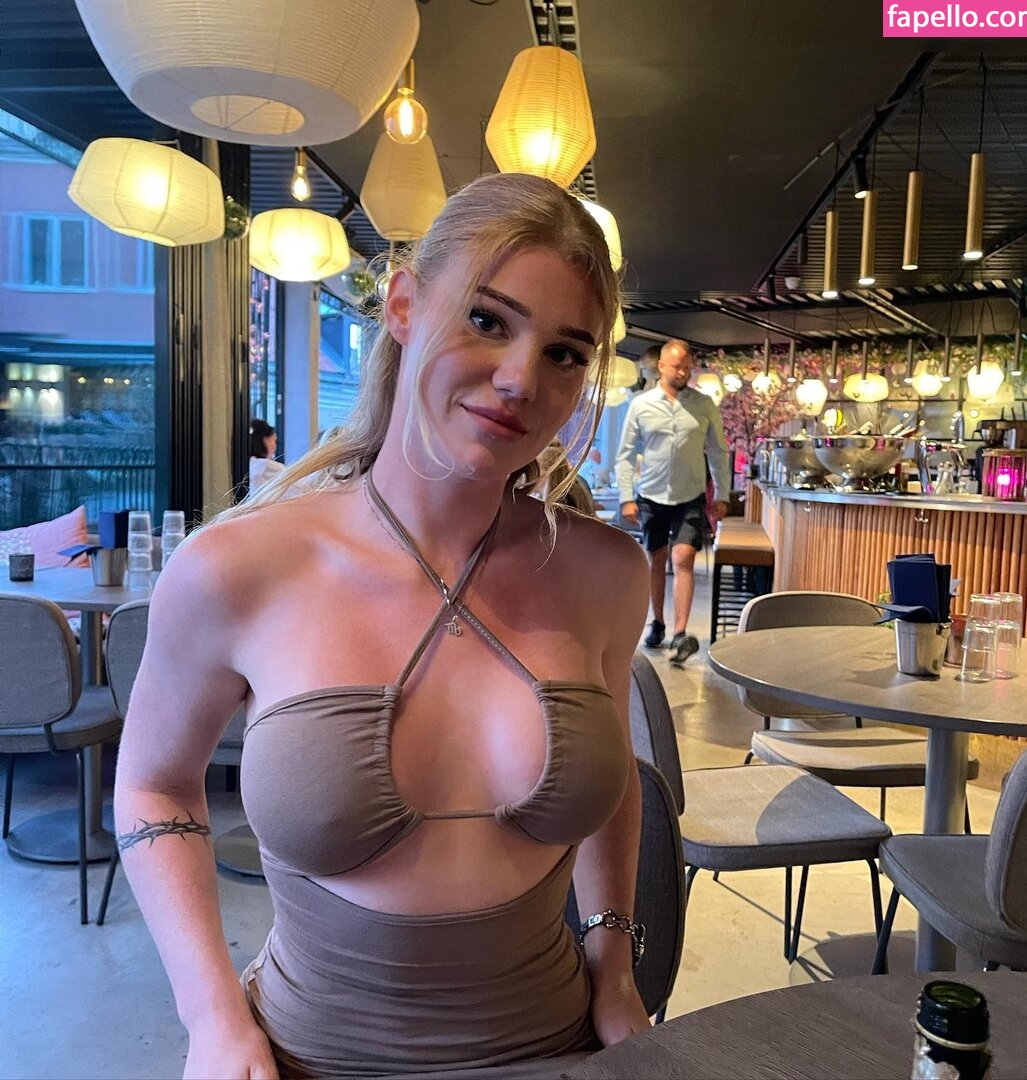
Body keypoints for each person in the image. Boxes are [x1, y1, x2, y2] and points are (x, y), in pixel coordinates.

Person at [114, 173, 651, 1079]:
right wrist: (210, 1016)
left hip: (557, 1047)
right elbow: (154, 785)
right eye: (487, 319)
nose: (520, 378)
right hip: (308, 1058)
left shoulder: (604, 574)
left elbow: (615, 778)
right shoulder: (237, 568)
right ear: (402, 304)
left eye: (565, 352)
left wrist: (614, 962)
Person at [615, 339, 731, 665]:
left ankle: (680, 633)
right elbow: (625, 455)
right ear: (662, 366)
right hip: (651, 495)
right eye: (677, 367)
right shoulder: (640, 405)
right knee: (657, 560)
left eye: (687, 368)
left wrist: (722, 494)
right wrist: (626, 497)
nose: (682, 373)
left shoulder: (704, 405)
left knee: (683, 558)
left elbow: (719, 452)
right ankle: (658, 623)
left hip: (690, 496)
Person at [247, 419, 284, 496]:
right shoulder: (266, 467)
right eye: (274, 441)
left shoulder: (246, 464)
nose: (274, 446)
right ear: (264, 440)